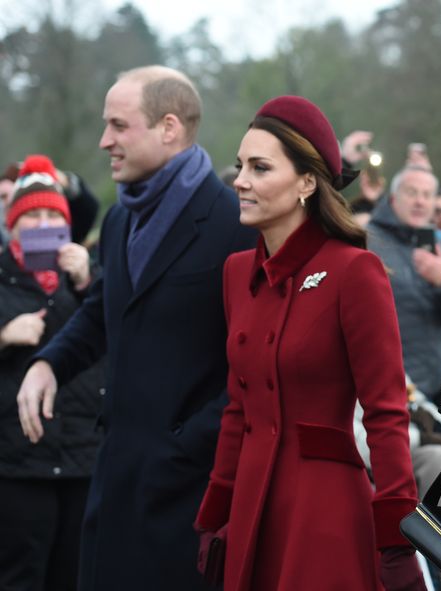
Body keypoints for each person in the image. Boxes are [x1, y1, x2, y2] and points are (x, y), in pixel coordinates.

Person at [16, 66, 255, 591]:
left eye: (119, 126)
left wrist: (186, 445)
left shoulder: (234, 224)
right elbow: (102, 310)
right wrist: (48, 363)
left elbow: (254, 365)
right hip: (115, 477)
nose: (105, 141)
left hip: (190, 490)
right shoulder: (121, 217)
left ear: (168, 127)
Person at [193, 95, 424, 591]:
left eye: (259, 167)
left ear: (306, 182)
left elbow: (385, 413)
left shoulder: (354, 271)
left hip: (324, 513)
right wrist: (214, 515)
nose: (240, 180)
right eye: (240, 166)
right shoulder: (237, 274)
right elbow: (239, 408)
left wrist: (399, 538)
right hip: (250, 505)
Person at [0, 155, 103, 591]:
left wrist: (87, 283)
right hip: (18, 458)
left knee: (74, 574)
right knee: (21, 574)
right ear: (13, 223)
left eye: (52, 215)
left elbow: (117, 334)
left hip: (82, 454)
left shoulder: (82, 278)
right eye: (32, 215)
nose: (42, 223)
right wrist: (3, 336)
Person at [367, 165, 441, 398]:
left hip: (428, 386)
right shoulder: (365, 240)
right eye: (412, 192)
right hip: (374, 380)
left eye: (427, 195)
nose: (420, 201)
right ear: (394, 198)